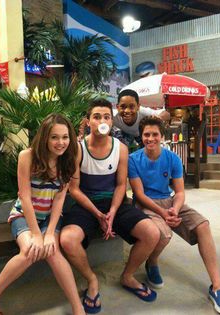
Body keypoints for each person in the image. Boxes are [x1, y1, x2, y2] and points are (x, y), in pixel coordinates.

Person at [60, 99, 161, 314]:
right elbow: (74, 189)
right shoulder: (78, 149)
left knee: (152, 233)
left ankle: (128, 276)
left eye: (106, 117)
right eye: (97, 117)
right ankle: (92, 279)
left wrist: (112, 212)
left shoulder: (121, 149)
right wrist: (98, 214)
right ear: (88, 122)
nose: (102, 121)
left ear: (111, 121)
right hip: (86, 205)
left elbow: (119, 185)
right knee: (67, 239)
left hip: (114, 203)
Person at [128, 115, 220, 315]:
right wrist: (163, 212)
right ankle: (152, 262)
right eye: (146, 134)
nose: (150, 138)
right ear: (141, 136)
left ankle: (217, 287)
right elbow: (138, 194)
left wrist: (175, 207)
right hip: (148, 204)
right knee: (164, 234)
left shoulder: (172, 158)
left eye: (155, 134)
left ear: (162, 136)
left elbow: (180, 192)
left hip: (170, 201)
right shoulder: (133, 159)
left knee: (203, 225)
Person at [0, 114, 85, 315]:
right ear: (44, 137)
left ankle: (78, 309)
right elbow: (24, 197)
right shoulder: (27, 156)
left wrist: (50, 233)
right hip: (24, 215)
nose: (61, 143)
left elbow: (60, 199)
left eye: (65, 137)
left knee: (52, 251)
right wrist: (36, 234)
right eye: (54, 137)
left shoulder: (68, 159)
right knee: (29, 251)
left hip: (51, 217)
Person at [78, 89, 170, 147]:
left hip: (140, 135)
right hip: (125, 135)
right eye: (123, 107)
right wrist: (81, 135)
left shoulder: (144, 112)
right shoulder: (112, 115)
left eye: (131, 107)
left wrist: (158, 117)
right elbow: (85, 119)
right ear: (117, 107)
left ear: (138, 106)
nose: (127, 111)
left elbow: (166, 114)